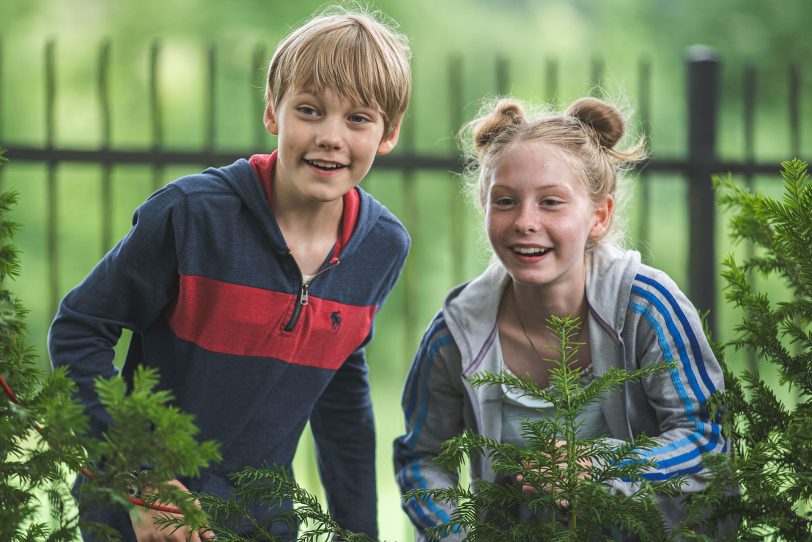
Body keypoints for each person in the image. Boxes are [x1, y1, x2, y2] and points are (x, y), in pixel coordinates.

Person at [49, 7, 411, 541]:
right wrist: (140, 481)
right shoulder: (192, 214)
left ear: (389, 134)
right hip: (140, 513)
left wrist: (357, 534)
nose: (331, 136)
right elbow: (80, 328)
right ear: (273, 112)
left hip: (261, 519)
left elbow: (340, 394)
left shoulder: (381, 246)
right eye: (309, 110)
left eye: (358, 118)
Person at [393, 96, 727, 540]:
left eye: (551, 202)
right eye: (505, 201)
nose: (524, 221)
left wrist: (604, 466)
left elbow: (705, 438)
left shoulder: (647, 306)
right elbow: (421, 460)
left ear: (599, 216)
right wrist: (461, 534)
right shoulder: (456, 334)